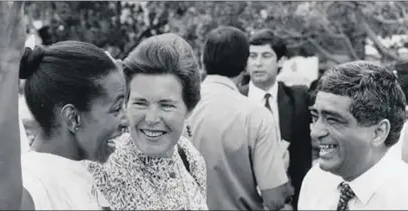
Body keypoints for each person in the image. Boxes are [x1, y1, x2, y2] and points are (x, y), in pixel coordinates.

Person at [0, 2, 128, 209]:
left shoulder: (81, 169)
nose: (126, 121)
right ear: (73, 118)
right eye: (117, 109)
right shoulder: (36, 179)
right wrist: (4, 57)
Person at [87, 33, 208, 210]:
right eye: (140, 103)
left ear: (189, 109)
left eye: (166, 105)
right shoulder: (99, 166)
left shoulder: (190, 157)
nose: (151, 119)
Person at [186, 26, 292, 211]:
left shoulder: (181, 107)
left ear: (203, 61)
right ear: (245, 65)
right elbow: (274, 200)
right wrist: (279, 168)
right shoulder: (256, 116)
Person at [299, 61, 408, 210]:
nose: (315, 132)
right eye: (315, 117)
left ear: (378, 132)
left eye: (333, 120)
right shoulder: (315, 180)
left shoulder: (403, 196)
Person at [238, 29, 312, 209]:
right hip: (243, 200)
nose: (258, 63)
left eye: (265, 56)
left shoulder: (298, 98)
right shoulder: (235, 100)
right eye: (252, 56)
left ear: (280, 61)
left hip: (289, 201)